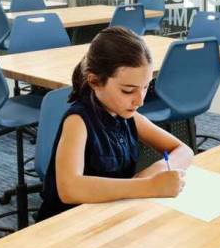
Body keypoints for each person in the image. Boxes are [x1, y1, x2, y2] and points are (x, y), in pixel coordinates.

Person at [38, 26, 194, 220]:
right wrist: (148, 186)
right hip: (68, 224)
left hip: (110, 214)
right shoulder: (78, 121)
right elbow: (69, 189)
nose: (140, 101)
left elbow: (184, 150)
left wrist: (156, 171)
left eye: (145, 87)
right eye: (128, 91)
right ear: (95, 82)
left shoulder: (129, 116)